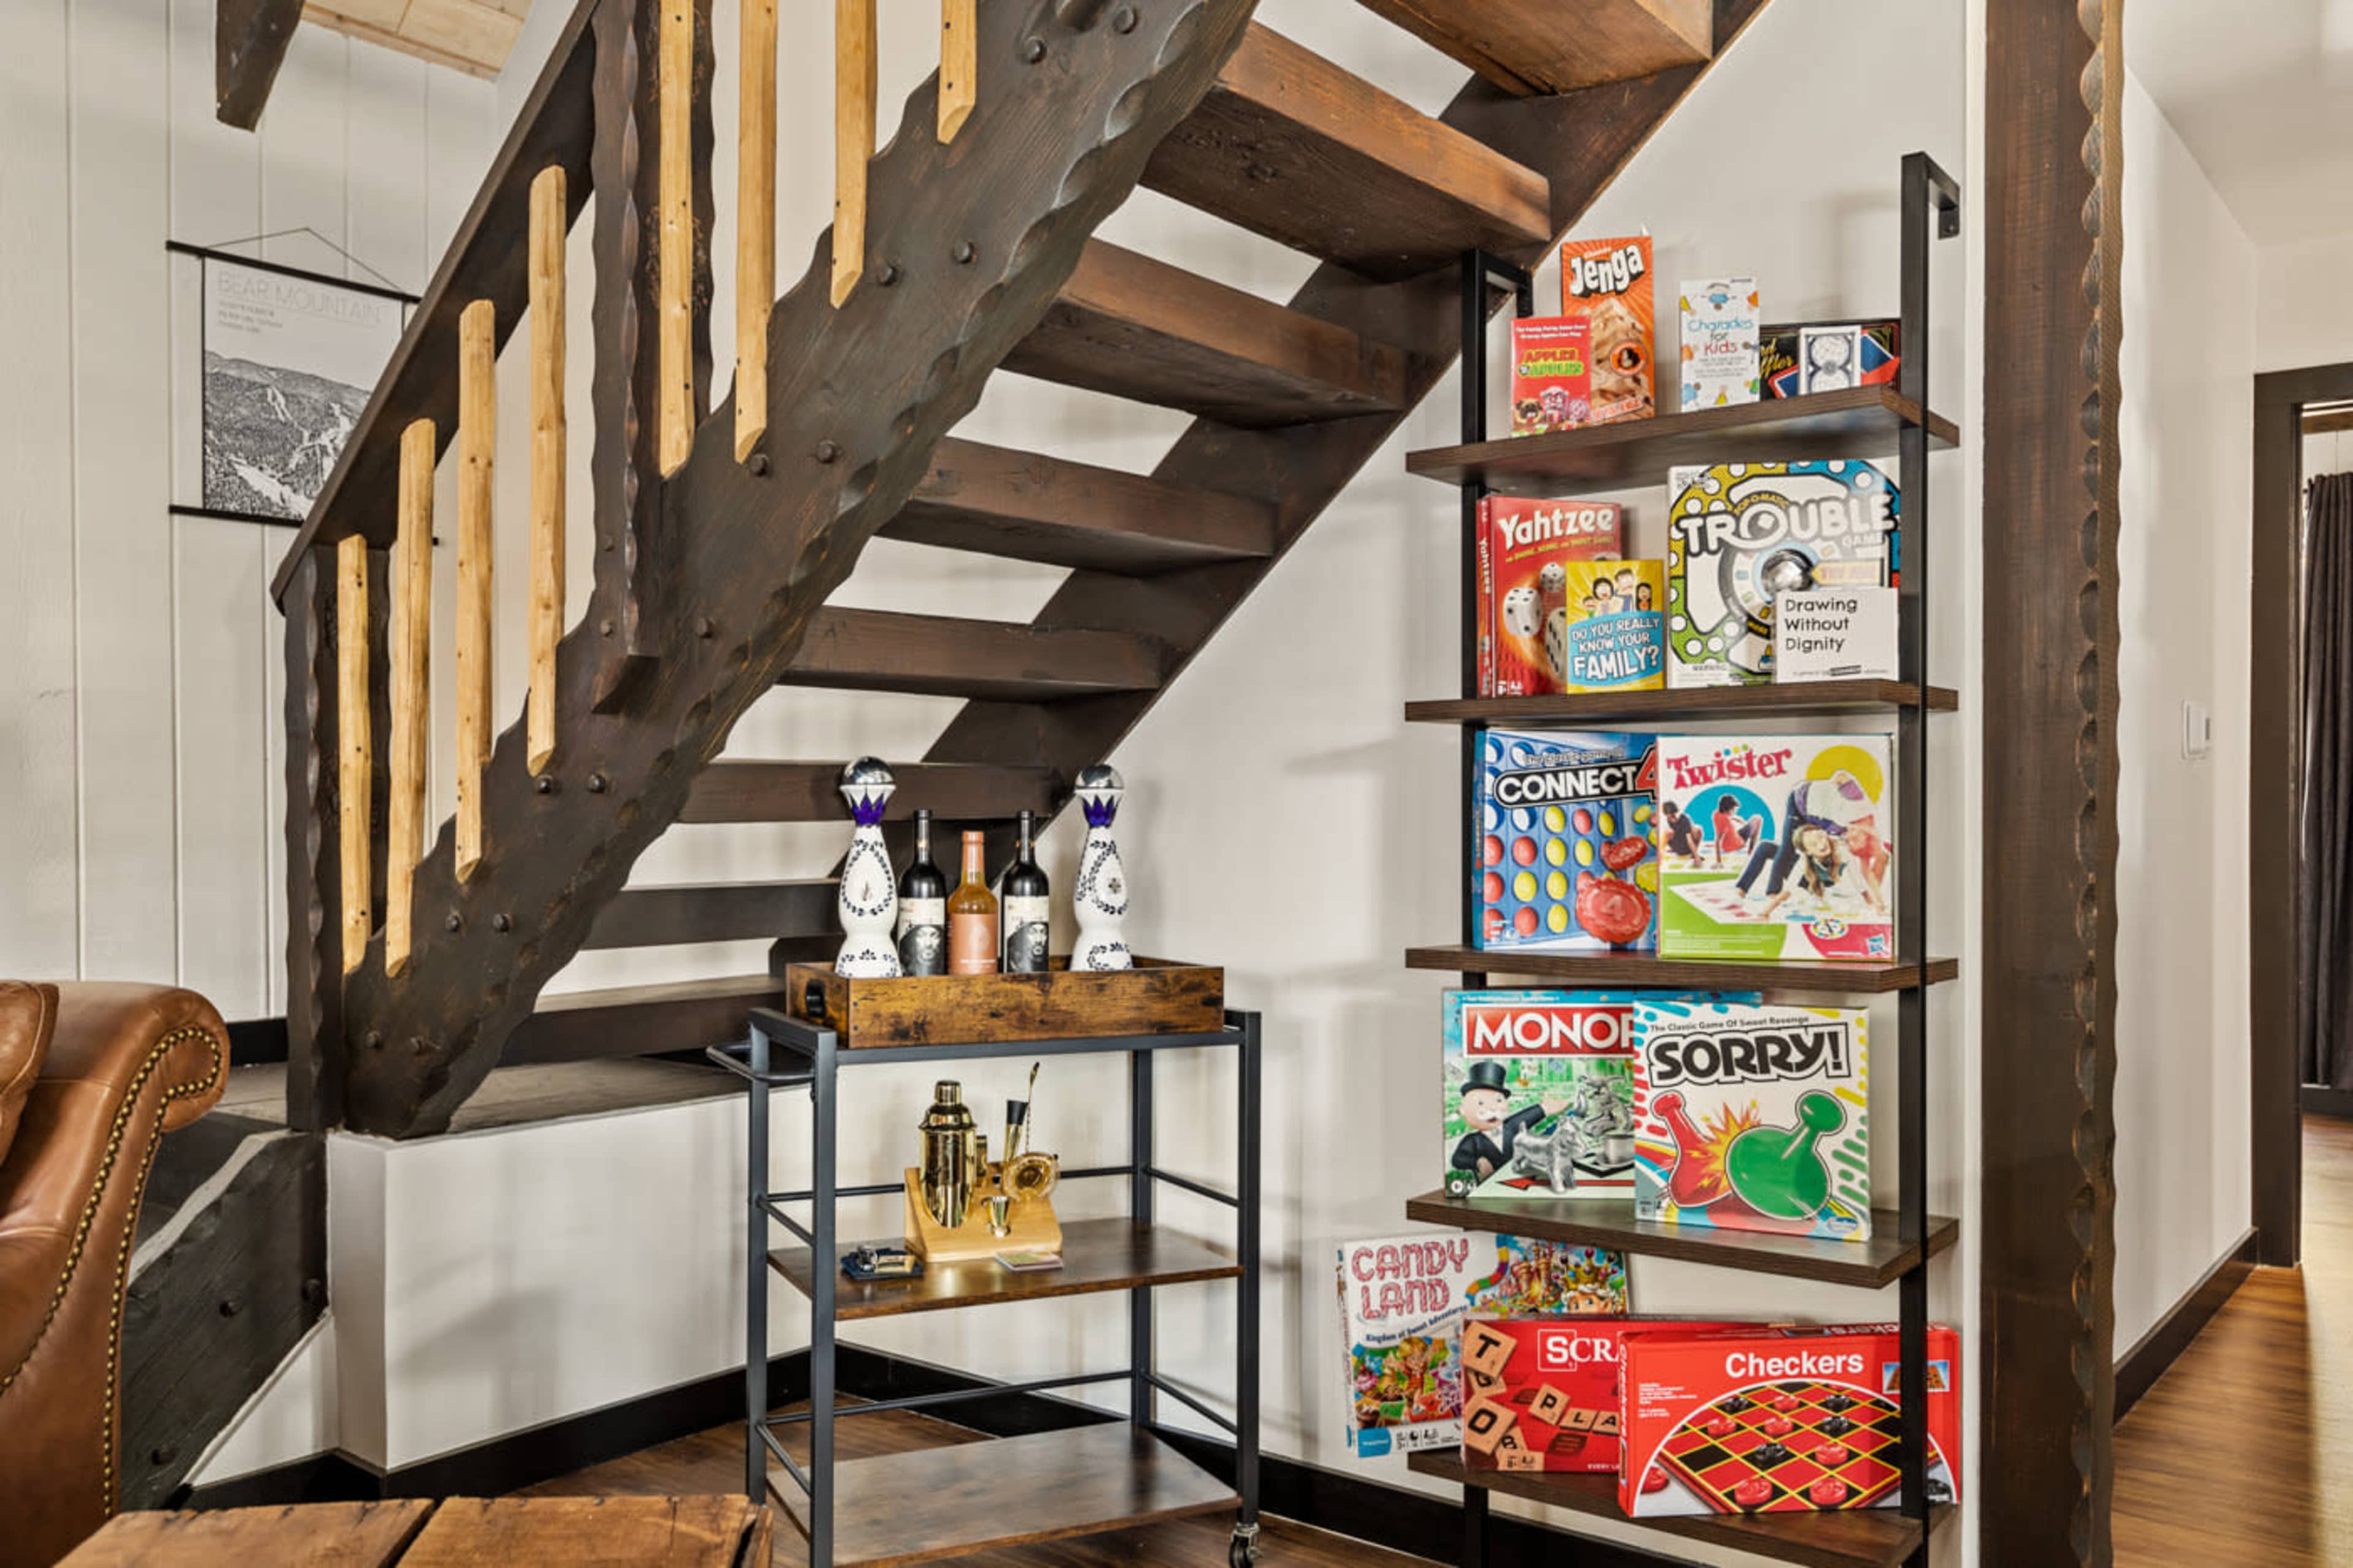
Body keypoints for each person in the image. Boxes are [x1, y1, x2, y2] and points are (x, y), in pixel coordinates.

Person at [1737, 769, 1873, 901]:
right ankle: (1753, 891)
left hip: (1815, 868)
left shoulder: (1840, 844)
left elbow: (1855, 874)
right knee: (1778, 849)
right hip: (1801, 802)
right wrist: (1829, 789)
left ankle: (1770, 890)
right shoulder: (1857, 804)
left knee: (1786, 851)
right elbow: (1841, 776)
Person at [1450, 1061, 1566, 1183]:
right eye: (1481, 1103)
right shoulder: (1473, 1141)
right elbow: (1458, 1159)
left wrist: (1545, 1108)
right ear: (1463, 1110)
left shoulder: (1510, 1127)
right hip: (1490, 1187)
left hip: (1519, 1180)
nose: (1492, 1109)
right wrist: (1478, 1162)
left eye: (1499, 1101)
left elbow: (1528, 1116)